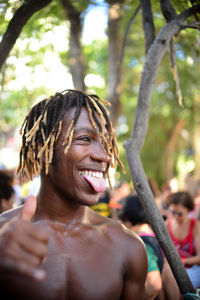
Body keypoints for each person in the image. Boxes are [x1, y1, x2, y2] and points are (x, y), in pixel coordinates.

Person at [0, 89, 147, 299]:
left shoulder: (127, 247)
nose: (104, 156)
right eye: (85, 139)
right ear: (43, 149)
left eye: (106, 143)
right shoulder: (4, 237)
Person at [118, 194, 180, 300]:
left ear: (127, 220)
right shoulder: (154, 236)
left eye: (121, 220)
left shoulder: (141, 243)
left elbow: (154, 285)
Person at [166, 191, 200, 290]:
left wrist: (182, 261)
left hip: (191, 269)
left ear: (189, 210)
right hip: (171, 270)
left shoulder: (195, 226)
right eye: (173, 212)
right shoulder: (167, 226)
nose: (176, 216)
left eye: (180, 213)